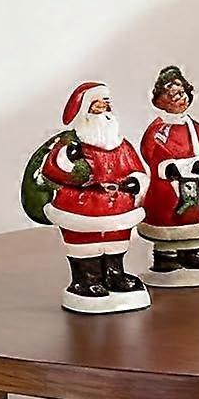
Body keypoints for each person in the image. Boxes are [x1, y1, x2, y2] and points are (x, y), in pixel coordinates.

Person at [42, 81, 151, 312]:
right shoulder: (72, 144)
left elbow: (136, 169)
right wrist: (70, 162)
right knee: (85, 244)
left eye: (106, 102)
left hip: (117, 205)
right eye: (97, 103)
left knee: (115, 242)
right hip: (81, 206)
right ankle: (86, 279)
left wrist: (135, 182)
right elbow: (53, 169)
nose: (103, 107)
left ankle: (114, 274)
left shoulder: (121, 145)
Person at [138, 65, 199, 286]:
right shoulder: (158, 129)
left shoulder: (194, 127)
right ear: (162, 100)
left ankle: (193, 253)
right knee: (171, 218)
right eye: (174, 95)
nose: (180, 99)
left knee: (194, 216)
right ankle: (166, 256)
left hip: (196, 180)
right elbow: (150, 150)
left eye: (182, 93)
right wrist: (169, 167)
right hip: (169, 185)